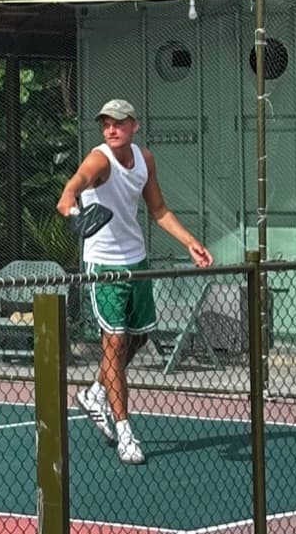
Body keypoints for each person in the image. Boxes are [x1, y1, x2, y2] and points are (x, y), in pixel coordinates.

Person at [56, 99, 212, 464]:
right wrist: (70, 204)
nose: (111, 129)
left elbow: (158, 209)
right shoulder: (99, 160)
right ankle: (126, 433)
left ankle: (96, 392)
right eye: (106, 124)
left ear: (134, 126)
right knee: (115, 342)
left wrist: (190, 242)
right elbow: (73, 185)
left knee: (138, 337)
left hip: (136, 260)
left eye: (119, 123)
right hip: (104, 266)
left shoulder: (145, 160)